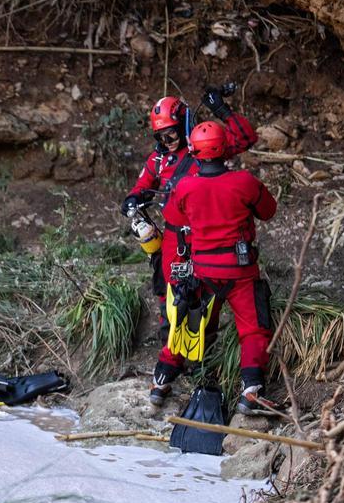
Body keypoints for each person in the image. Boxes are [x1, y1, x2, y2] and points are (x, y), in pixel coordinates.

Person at [119, 87, 257, 406]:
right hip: (174, 238)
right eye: (162, 137)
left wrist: (222, 110)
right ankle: (172, 361)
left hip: (204, 237)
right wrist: (133, 199)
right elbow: (142, 185)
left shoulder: (201, 146)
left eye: (171, 134)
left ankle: (193, 360)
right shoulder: (159, 158)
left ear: (183, 125)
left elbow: (245, 138)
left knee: (201, 298)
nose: (169, 141)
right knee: (173, 293)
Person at [166, 120, 278, 415]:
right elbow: (268, 211)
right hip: (240, 271)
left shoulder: (185, 186)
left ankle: (166, 377)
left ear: (194, 151)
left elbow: (175, 219)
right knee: (254, 330)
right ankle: (251, 390)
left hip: (203, 271)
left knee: (194, 323)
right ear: (225, 148)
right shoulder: (244, 182)